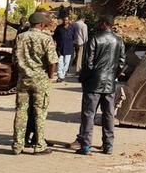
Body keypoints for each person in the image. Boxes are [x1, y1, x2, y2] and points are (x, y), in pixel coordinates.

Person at [75, 16, 125, 156]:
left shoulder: (95, 39)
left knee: (88, 115)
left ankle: (86, 145)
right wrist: (113, 75)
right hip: (109, 83)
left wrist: (83, 78)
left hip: (93, 83)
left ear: (103, 24)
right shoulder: (119, 40)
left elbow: (88, 63)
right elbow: (121, 63)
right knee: (108, 115)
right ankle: (108, 146)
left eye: (98, 22)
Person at [12, 11, 58, 155]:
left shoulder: (20, 37)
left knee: (20, 112)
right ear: (41, 24)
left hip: (23, 79)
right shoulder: (46, 39)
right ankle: (39, 145)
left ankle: (17, 145)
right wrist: (50, 78)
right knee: (40, 113)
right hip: (40, 79)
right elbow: (52, 61)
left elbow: (14, 59)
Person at [53, 15, 77, 82]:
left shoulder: (72, 28)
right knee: (60, 62)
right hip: (60, 48)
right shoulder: (59, 28)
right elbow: (54, 37)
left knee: (66, 63)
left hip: (69, 48)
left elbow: (74, 37)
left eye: (66, 20)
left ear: (69, 21)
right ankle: (60, 76)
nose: (64, 21)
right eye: (64, 20)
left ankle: (63, 75)